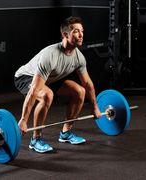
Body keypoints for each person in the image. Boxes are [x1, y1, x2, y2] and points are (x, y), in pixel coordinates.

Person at [14, 16, 101, 153]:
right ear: (65, 34)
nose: (81, 35)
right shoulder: (50, 55)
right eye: (76, 31)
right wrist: (23, 119)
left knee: (80, 92)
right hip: (26, 77)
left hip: (50, 79)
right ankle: (35, 139)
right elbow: (34, 90)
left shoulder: (79, 57)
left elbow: (88, 84)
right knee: (47, 95)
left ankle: (66, 133)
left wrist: (95, 106)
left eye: (82, 31)